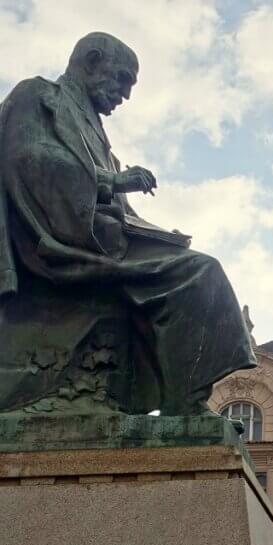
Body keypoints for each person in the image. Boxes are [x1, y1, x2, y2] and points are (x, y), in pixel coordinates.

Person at [0, 32, 256, 416]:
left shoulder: (97, 130)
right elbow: (29, 161)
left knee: (191, 263)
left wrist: (153, 233)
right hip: (55, 242)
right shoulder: (37, 96)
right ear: (91, 61)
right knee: (200, 273)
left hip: (101, 237)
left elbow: (116, 205)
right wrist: (112, 181)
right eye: (122, 79)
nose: (126, 95)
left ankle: (182, 400)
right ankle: (183, 403)